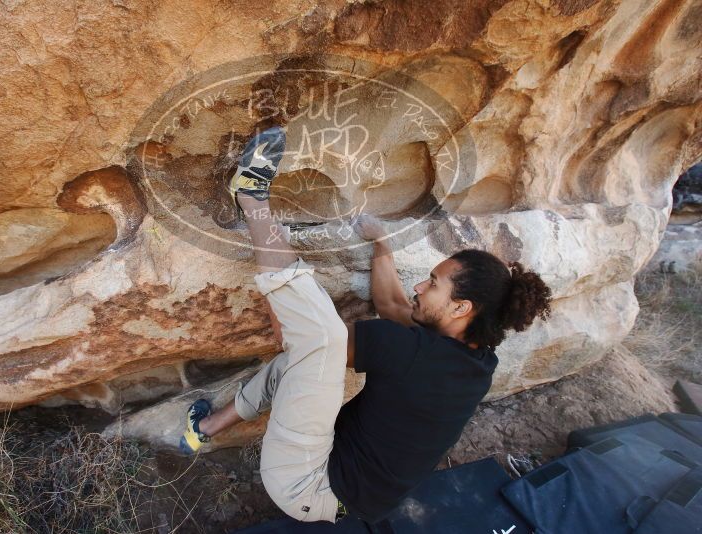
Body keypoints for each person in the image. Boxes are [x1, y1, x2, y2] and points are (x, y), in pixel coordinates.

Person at [179, 126, 553, 524]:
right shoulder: (477, 360)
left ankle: (251, 195)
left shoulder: (412, 353)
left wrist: (283, 286)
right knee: (307, 365)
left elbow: (293, 337)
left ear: (461, 307)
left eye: (433, 283)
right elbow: (393, 305)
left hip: (305, 485)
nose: (419, 286)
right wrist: (381, 243)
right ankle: (202, 428)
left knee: (322, 340)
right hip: (352, 496)